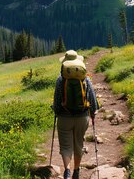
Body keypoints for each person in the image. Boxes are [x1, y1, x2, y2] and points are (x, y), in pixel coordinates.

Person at [52, 50, 99, 179]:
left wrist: (56, 110)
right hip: (82, 117)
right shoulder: (85, 78)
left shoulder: (60, 79)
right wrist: (93, 112)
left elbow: (56, 100)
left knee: (66, 146)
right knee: (79, 144)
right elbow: (92, 98)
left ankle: (67, 170)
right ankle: (76, 171)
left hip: (64, 117)